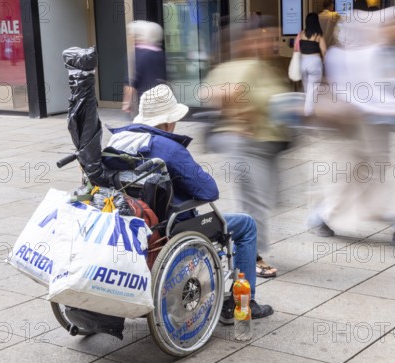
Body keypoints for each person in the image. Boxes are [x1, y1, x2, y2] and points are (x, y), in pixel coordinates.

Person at [105, 84, 274, 323]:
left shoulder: (118, 140)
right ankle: (242, 303)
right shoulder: (167, 147)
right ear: (167, 122)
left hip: (129, 217)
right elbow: (208, 191)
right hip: (170, 227)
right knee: (246, 225)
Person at [310, 5, 395, 248]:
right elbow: (369, 97)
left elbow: (390, 91)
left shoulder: (391, 52)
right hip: (357, 127)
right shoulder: (357, 55)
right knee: (358, 179)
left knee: (377, 177)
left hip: (379, 127)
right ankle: (324, 215)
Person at [204, 16, 291, 279]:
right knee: (254, 204)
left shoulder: (266, 67)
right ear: (249, 40)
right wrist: (238, 118)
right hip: (246, 145)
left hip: (266, 146)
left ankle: (243, 250)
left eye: (274, 37)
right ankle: (250, 257)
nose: (272, 42)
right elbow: (213, 93)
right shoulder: (242, 66)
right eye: (267, 36)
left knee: (261, 202)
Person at [122, 21, 167, 116]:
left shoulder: (136, 55)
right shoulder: (160, 53)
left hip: (145, 101)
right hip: (163, 99)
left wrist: (127, 102)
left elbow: (130, 81)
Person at [295, 13, 326, 116]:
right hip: (315, 62)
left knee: (307, 89)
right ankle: (308, 114)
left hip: (303, 61)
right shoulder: (318, 35)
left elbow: (296, 49)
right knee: (312, 89)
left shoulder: (301, 34)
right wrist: (324, 62)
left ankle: (311, 111)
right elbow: (324, 50)